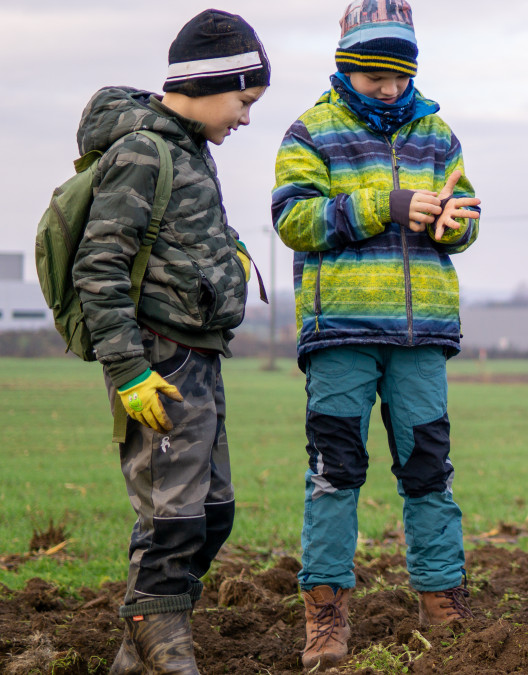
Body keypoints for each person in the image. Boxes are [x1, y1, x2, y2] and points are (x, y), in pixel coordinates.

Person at [271, 0, 482, 669]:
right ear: (346, 66)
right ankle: (327, 616)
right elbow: (293, 218)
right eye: (373, 75)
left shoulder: (438, 135)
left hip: (420, 341)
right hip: (341, 336)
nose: (389, 87)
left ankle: (443, 604)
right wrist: (384, 205)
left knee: (430, 475)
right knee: (335, 476)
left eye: (399, 74)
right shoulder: (311, 132)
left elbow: (470, 215)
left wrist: (455, 222)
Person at [70, 9, 269, 673]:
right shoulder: (142, 151)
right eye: (243, 100)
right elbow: (98, 269)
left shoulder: (189, 150)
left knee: (214, 512)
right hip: (158, 360)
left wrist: (226, 256)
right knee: (175, 516)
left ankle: (139, 646)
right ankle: (163, 643)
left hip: (200, 356)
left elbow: (175, 234)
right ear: (209, 83)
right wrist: (127, 371)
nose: (245, 117)